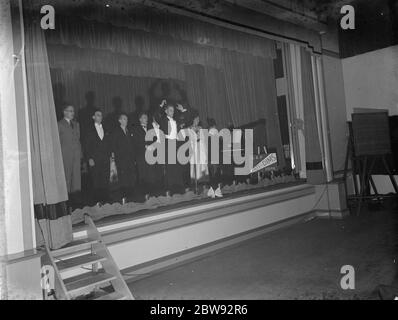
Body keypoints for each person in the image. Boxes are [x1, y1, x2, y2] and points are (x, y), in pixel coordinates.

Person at [85, 109, 111, 205]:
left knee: (105, 179)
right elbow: (87, 145)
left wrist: (110, 155)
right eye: (98, 115)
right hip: (95, 159)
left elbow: (108, 143)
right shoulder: (89, 129)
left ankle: (105, 201)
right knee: (96, 180)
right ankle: (97, 201)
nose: (100, 117)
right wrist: (90, 158)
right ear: (93, 117)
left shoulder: (106, 128)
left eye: (101, 115)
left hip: (105, 159)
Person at [58, 104, 82, 203]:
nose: (72, 113)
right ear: (64, 112)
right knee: (66, 177)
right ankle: (66, 200)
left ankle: (76, 200)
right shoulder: (59, 124)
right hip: (65, 155)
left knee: (76, 178)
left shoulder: (76, 124)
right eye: (70, 111)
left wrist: (80, 154)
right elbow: (58, 142)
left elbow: (78, 140)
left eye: (73, 111)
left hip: (76, 155)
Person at [159, 104, 184, 194]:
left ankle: (178, 186)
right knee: (170, 167)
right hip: (168, 143)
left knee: (177, 166)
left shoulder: (175, 120)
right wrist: (161, 106)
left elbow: (187, 121)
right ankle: (171, 187)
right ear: (166, 111)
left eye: (173, 110)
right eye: (170, 110)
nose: (172, 112)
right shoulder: (163, 120)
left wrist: (182, 111)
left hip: (175, 143)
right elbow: (156, 116)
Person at [111, 113, 136, 201]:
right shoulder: (116, 131)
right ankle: (123, 197)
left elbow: (132, 145)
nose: (126, 121)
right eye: (124, 119)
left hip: (130, 159)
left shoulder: (129, 131)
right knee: (123, 178)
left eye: (127, 119)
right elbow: (113, 145)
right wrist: (115, 157)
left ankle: (130, 196)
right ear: (120, 120)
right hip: (121, 159)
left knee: (130, 177)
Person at [132, 112, 151, 199]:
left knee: (149, 174)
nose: (146, 119)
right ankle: (142, 194)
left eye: (146, 117)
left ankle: (148, 193)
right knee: (142, 175)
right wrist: (144, 146)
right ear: (140, 119)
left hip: (149, 155)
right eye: (144, 117)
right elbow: (135, 143)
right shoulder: (136, 129)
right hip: (141, 156)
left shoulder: (149, 128)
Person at [189, 114, 209, 184]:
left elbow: (203, 139)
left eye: (198, 119)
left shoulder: (200, 128)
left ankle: (204, 183)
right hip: (194, 150)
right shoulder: (189, 129)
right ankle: (196, 184)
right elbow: (190, 140)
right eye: (196, 119)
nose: (197, 121)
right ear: (193, 120)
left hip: (201, 149)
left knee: (203, 166)